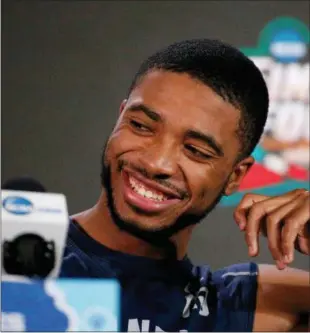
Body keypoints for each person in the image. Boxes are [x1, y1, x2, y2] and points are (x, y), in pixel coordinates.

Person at [60, 39, 310, 332]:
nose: (156, 163)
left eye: (196, 150)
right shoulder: (18, 256)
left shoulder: (243, 307)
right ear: (120, 118)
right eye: (140, 126)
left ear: (235, 176)